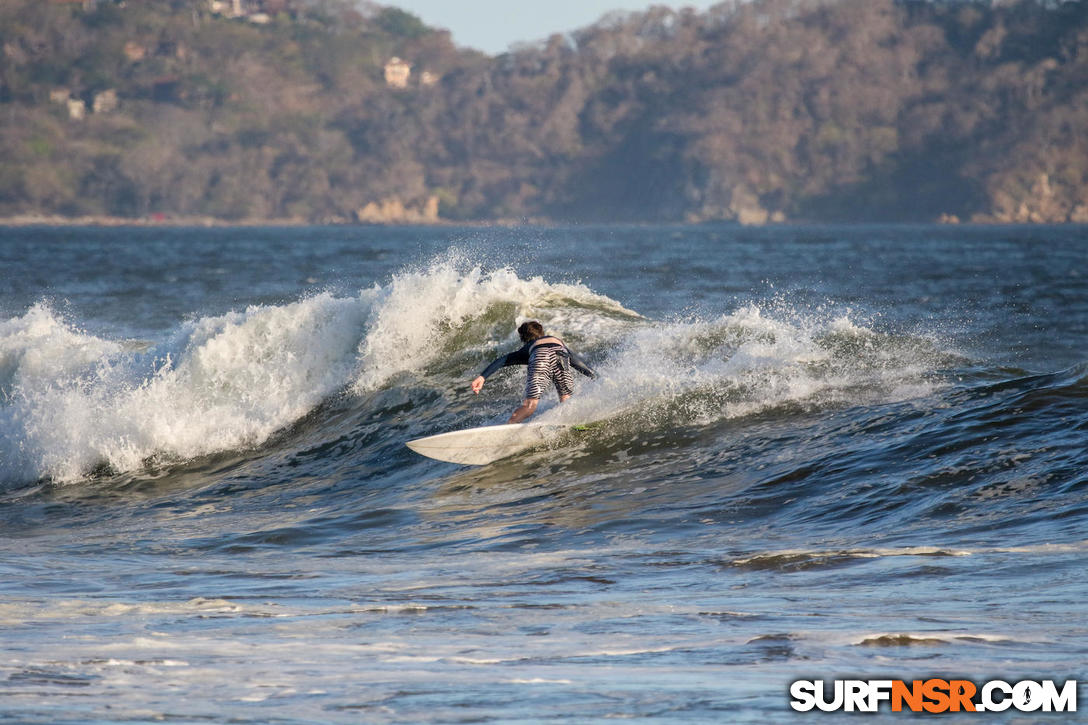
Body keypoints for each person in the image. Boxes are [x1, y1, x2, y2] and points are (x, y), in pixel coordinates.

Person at [471, 320, 597, 424]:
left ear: (523, 338)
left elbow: (503, 360)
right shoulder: (555, 340)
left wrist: (482, 377)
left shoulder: (530, 345)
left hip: (541, 355)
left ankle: (510, 426)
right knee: (566, 399)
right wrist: (594, 376)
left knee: (530, 405)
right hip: (561, 353)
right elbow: (576, 361)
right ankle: (572, 423)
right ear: (541, 332)